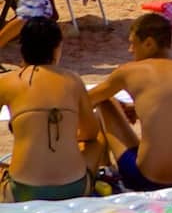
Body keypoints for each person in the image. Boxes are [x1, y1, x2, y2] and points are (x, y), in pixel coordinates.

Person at [88, 14, 172, 192]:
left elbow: (87, 99)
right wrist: (137, 108)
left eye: (133, 43)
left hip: (146, 180)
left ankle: (105, 168)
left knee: (105, 102)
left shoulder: (129, 71)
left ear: (148, 43)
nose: (130, 50)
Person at [1, 18, 99, 202]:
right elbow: (90, 133)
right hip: (75, 187)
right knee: (95, 145)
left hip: (22, 191)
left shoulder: (6, 82)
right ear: (56, 48)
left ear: (22, 48)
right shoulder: (73, 80)